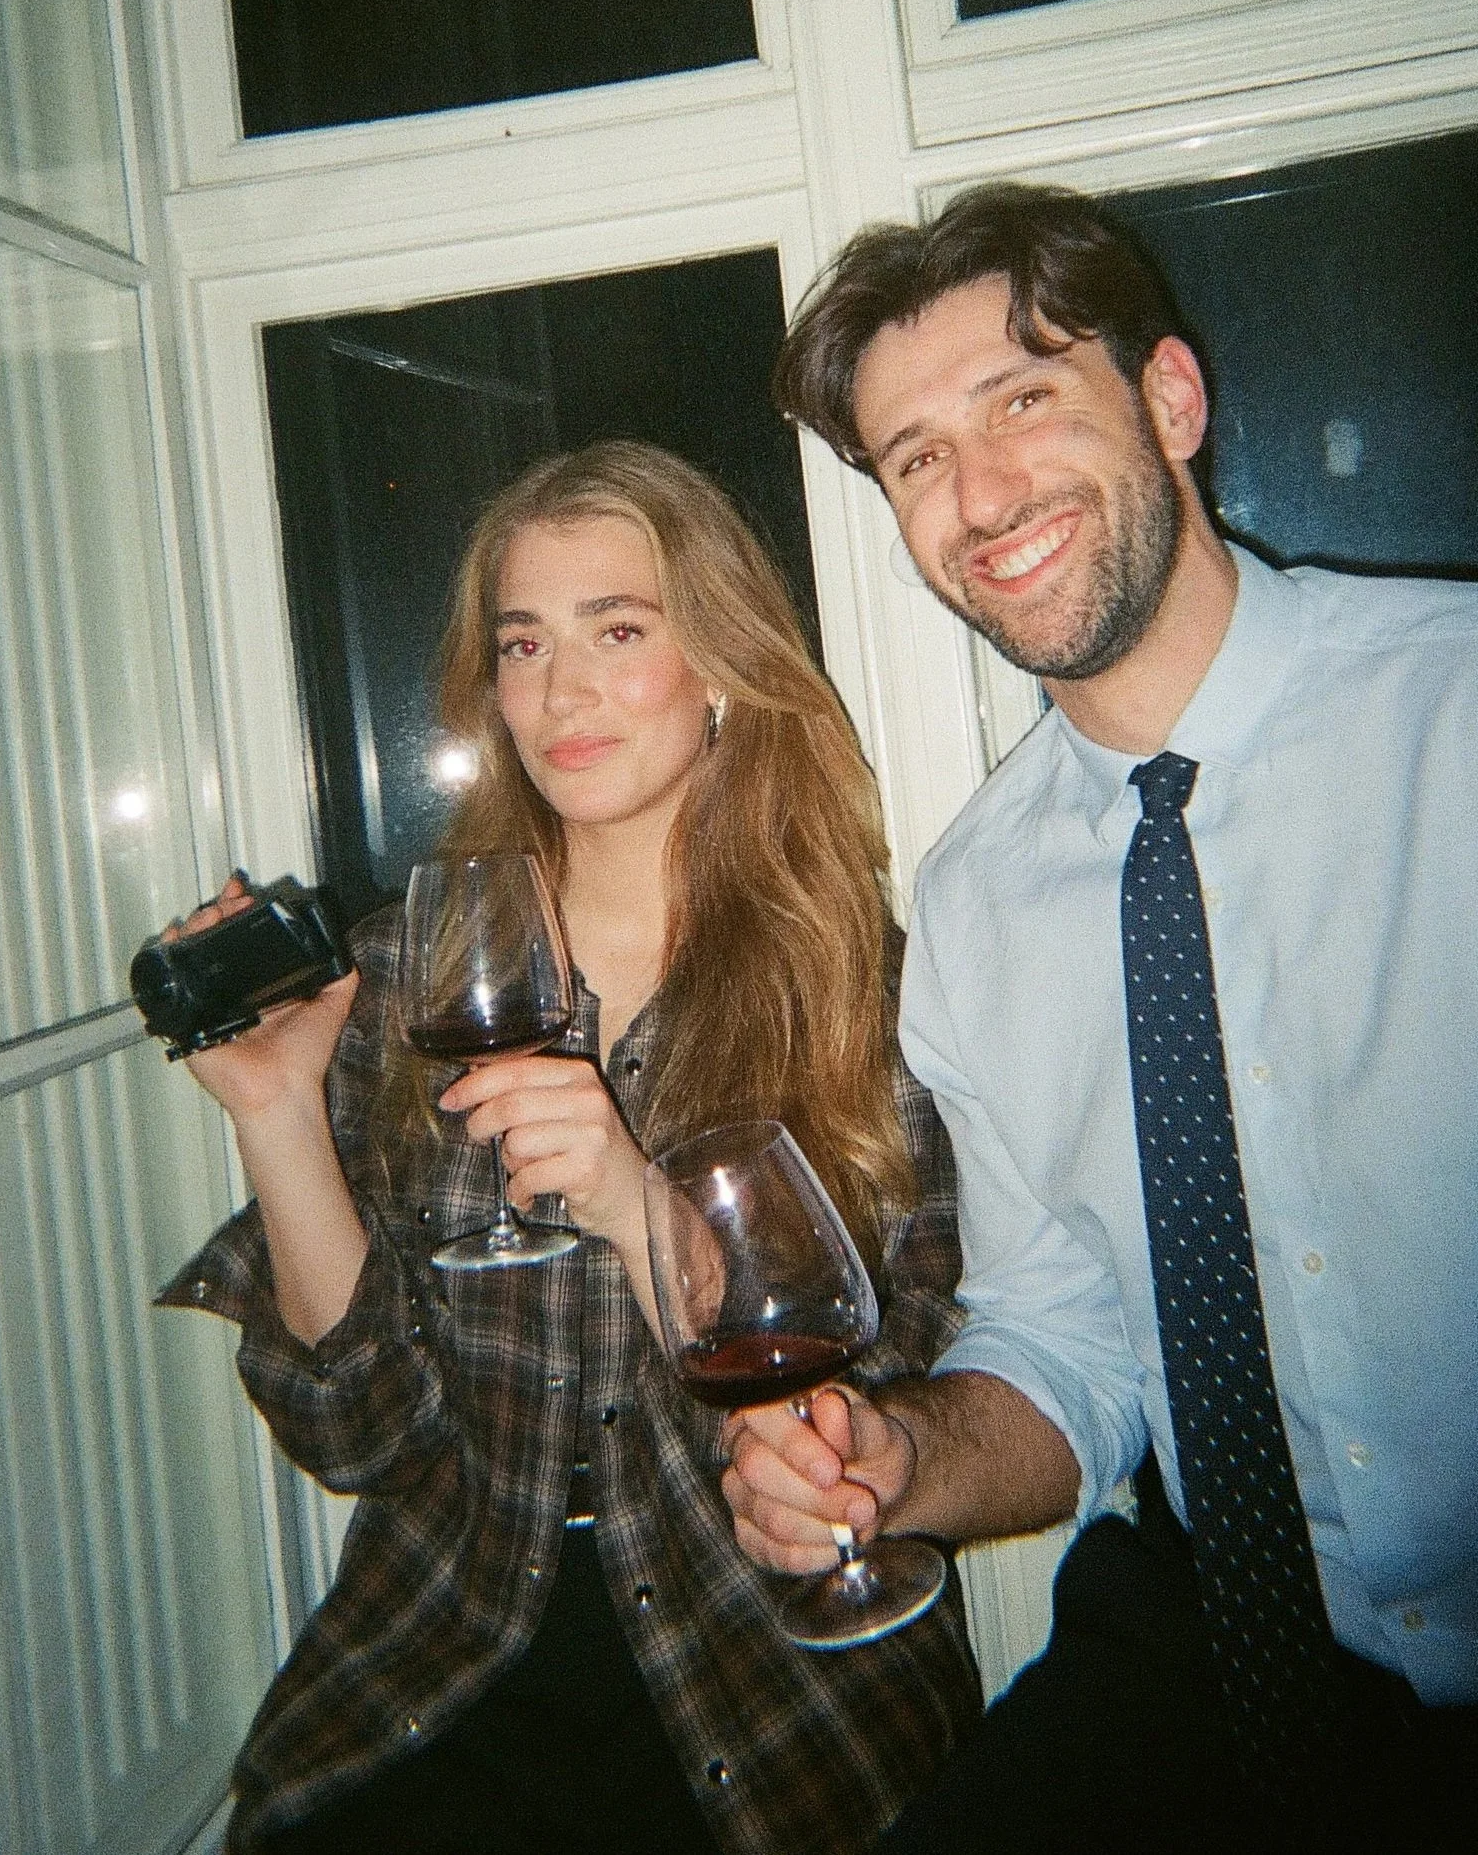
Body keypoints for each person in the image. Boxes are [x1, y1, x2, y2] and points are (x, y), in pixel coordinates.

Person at [719, 185, 1478, 1851]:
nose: (980, 494)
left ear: (1169, 401)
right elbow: (1062, 1350)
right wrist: (897, 1456)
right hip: (1206, 1643)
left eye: (1024, 398)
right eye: (912, 456)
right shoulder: (970, 907)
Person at [160, 440, 980, 1854]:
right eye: (523, 642)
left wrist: (631, 1199)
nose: (561, 689)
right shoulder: (414, 979)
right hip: (449, 1647)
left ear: (720, 659)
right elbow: (365, 1436)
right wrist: (278, 1112)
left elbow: (859, 1435)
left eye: (619, 629)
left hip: (772, 1670)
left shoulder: (872, 996)